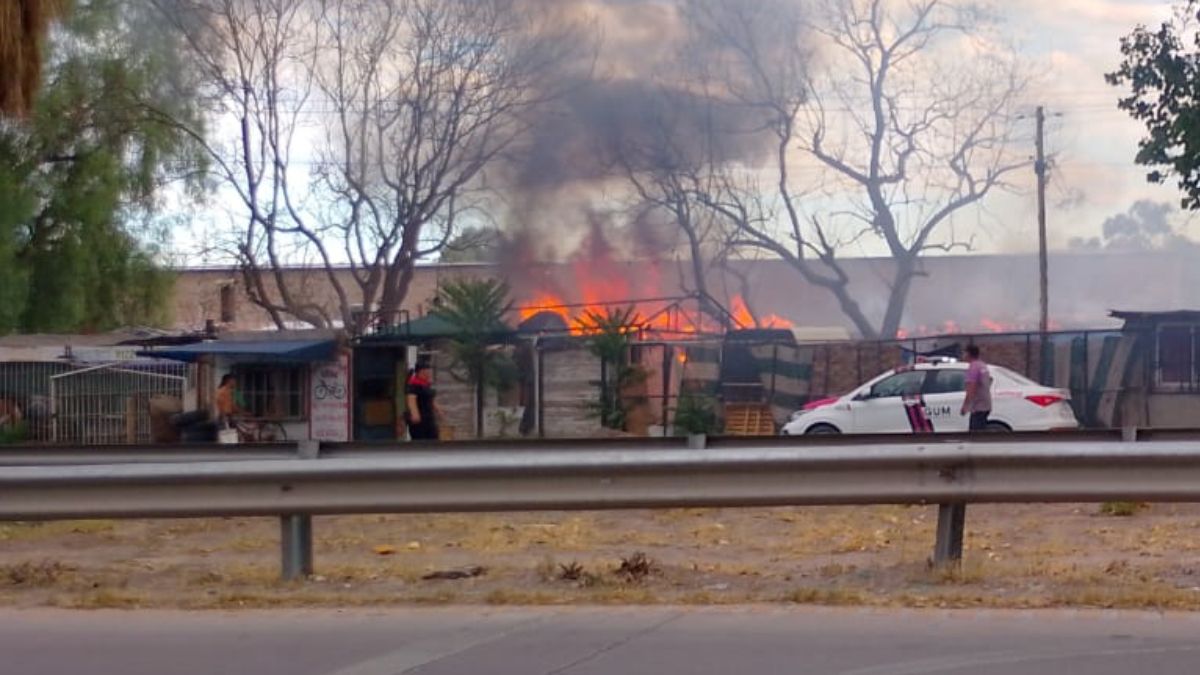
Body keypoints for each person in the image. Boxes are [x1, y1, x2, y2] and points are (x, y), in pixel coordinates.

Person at [405, 359, 442, 441]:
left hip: (429, 417)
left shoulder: (426, 384)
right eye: (426, 372)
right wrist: (415, 413)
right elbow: (411, 400)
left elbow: (430, 399)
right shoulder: (413, 384)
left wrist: (438, 410)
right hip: (420, 419)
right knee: (421, 441)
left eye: (428, 372)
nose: (428, 374)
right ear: (420, 372)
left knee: (434, 437)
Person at [960, 344, 993, 431]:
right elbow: (989, 380)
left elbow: (972, 387)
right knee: (981, 431)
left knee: (975, 435)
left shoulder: (973, 367)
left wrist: (966, 405)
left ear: (968, 354)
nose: (963, 355)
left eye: (964, 353)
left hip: (978, 406)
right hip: (986, 404)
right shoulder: (982, 365)